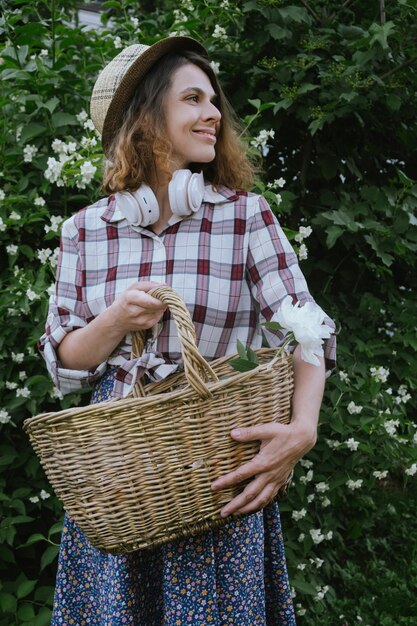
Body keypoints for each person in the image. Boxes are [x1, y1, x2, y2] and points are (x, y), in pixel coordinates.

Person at [39, 35, 336, 626]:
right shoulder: (84, 231)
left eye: (213, 101)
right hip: (122, 479)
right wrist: (118, 318)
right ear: (144, 118)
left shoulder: (245, 215)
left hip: (216, 468)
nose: (213, 114)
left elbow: (310, 332)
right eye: (192, 99)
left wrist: (303, 429)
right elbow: (65, 364)